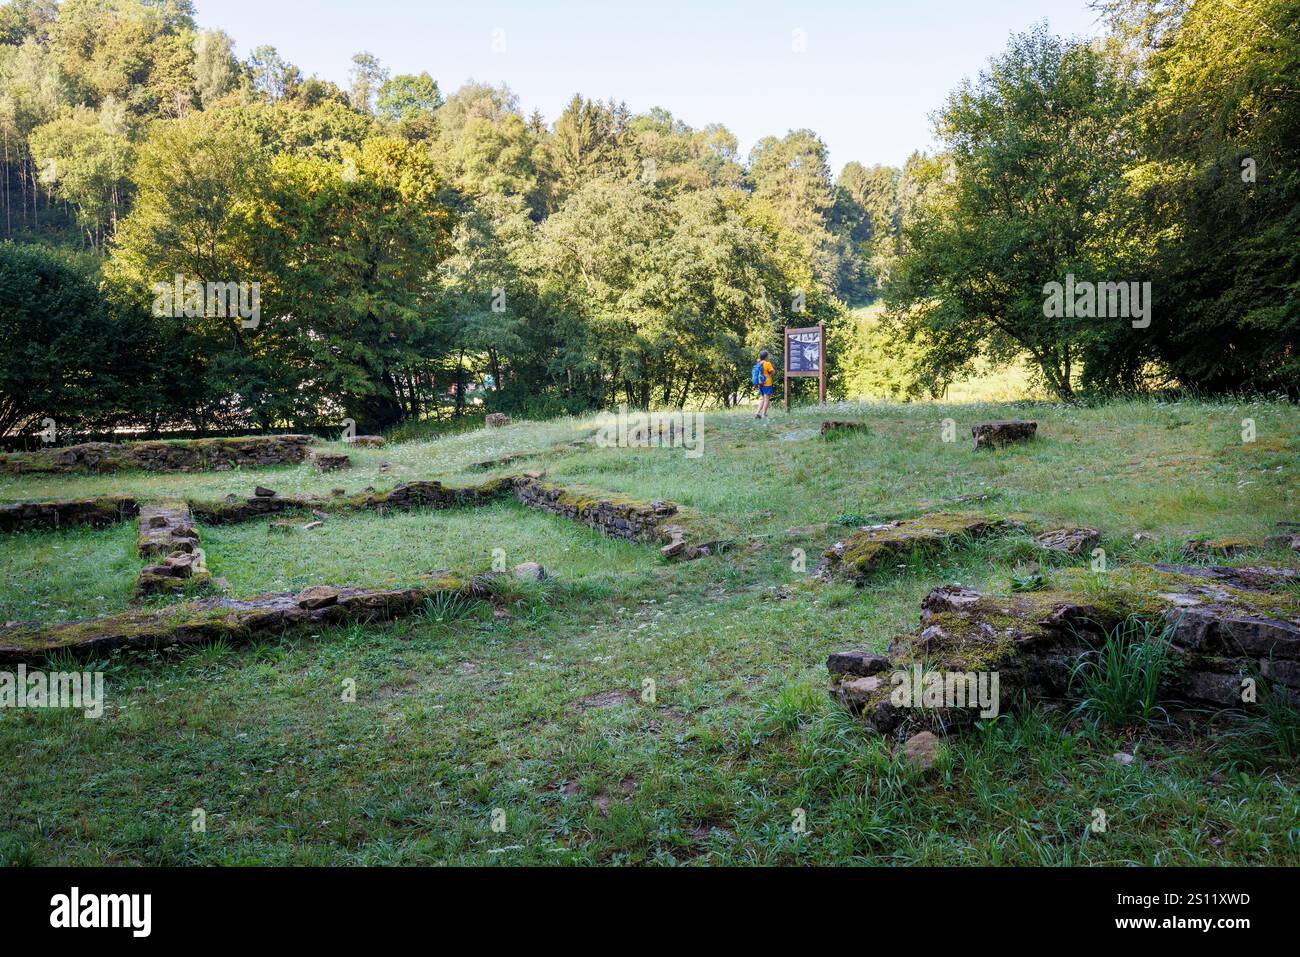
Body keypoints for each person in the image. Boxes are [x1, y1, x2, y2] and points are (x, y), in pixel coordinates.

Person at [752, 349, 776, 418]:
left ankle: (757, 412)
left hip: (760, 384)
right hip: (767, 383)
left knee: (763, 398)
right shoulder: (767, 363)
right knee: (767, 399)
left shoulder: (759, 363)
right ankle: (763, 414)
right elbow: (773, 372)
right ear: (766, 357)